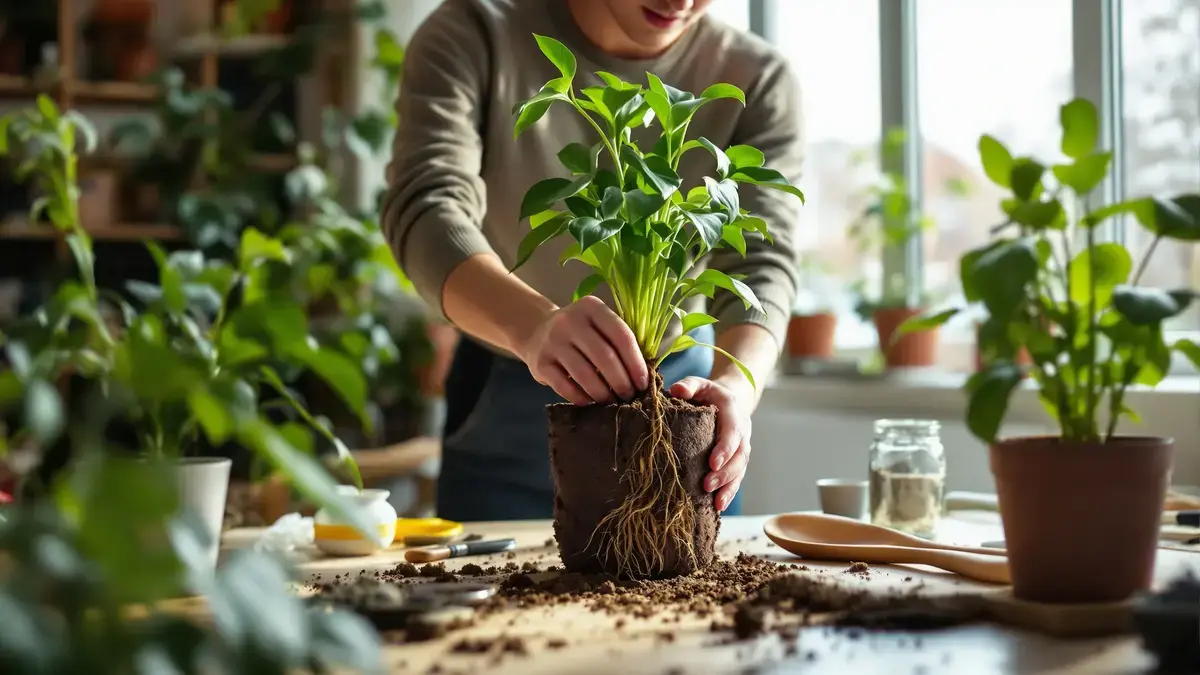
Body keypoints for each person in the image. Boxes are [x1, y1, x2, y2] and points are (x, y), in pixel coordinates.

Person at [382, 0, 803, 522]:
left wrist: (737, 387)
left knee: (688, 598)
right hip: (508, 387)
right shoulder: (475, 30)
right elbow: (425, 208)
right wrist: (534, 327)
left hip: (681, 397)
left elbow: (762, 259)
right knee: (492, 596)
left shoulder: (757, 78)